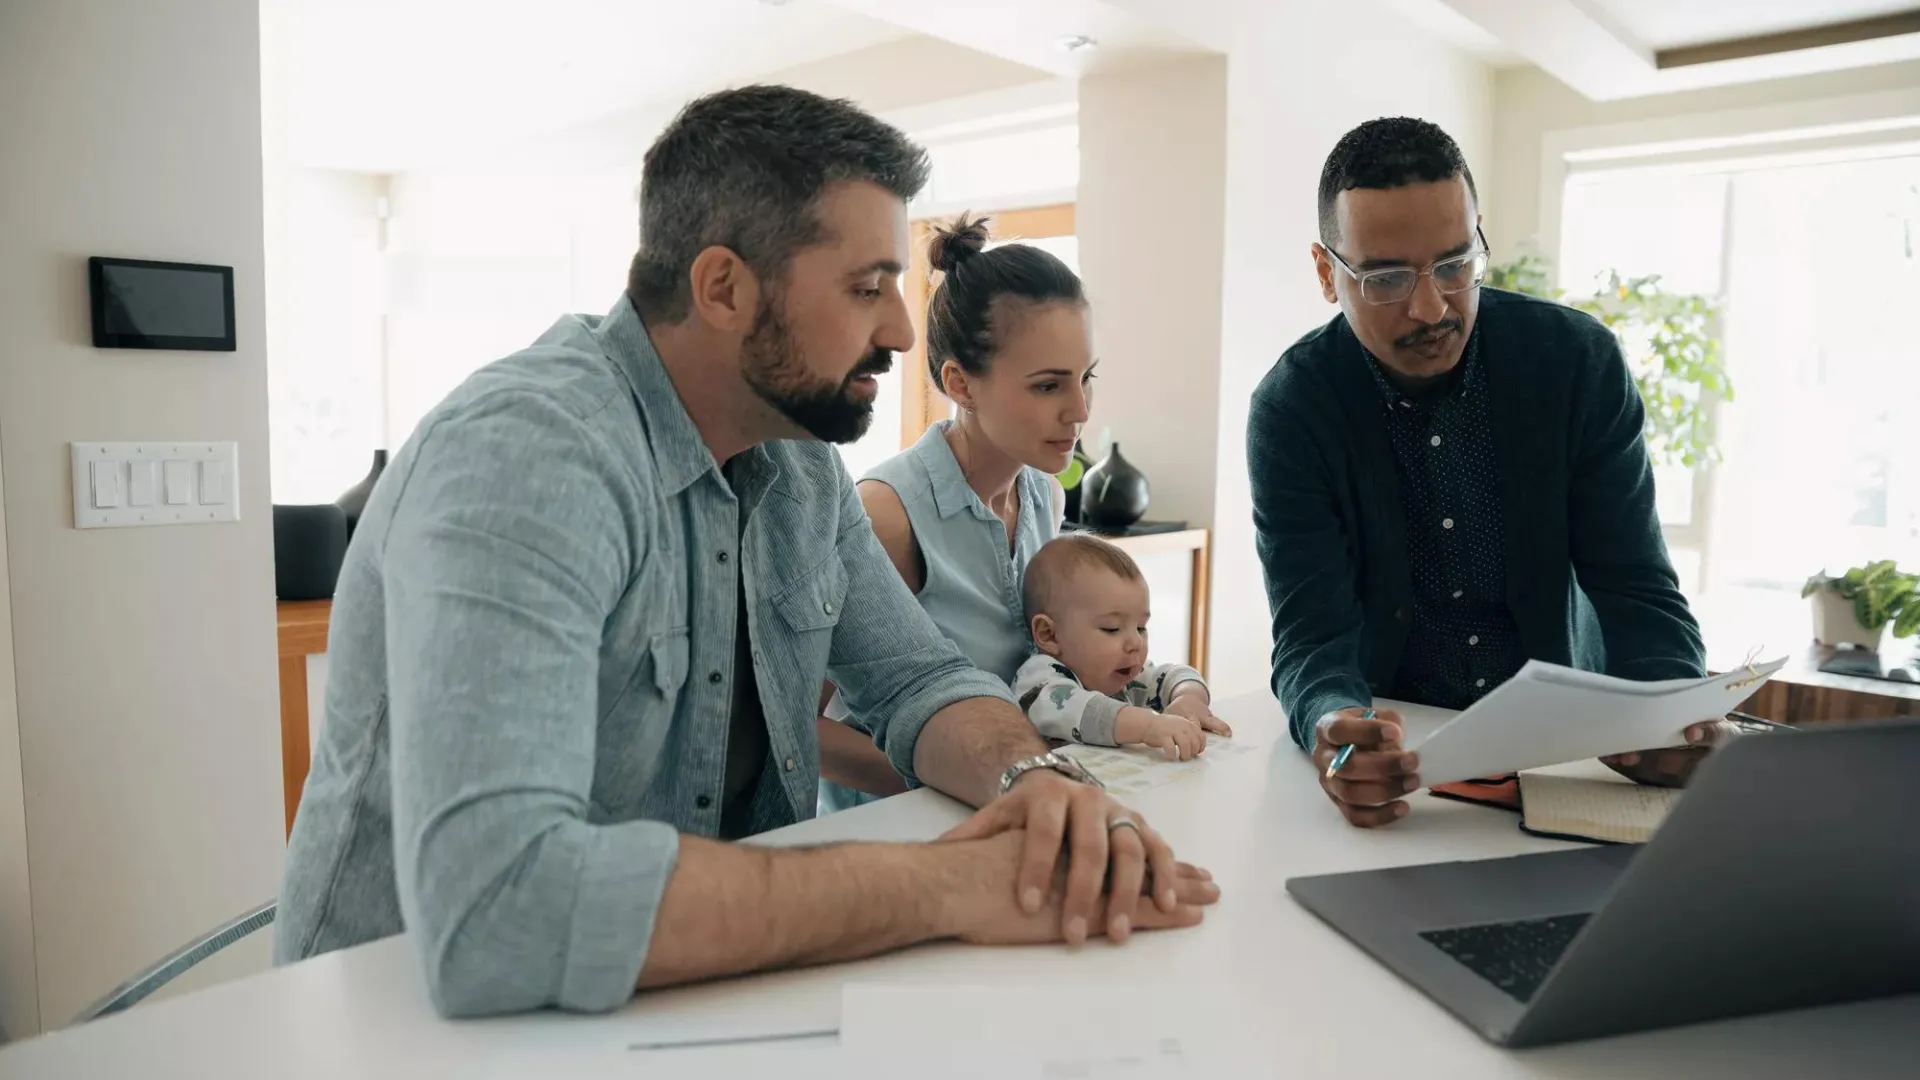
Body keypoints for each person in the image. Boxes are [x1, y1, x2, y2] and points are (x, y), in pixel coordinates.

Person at [273, 85, 1218, 1019]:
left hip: (696, 996)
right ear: (723, 287)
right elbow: (499, 907)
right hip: (415, 1031)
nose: (897, 330)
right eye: (866, 287)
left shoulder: (799, 468)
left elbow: (921, 681)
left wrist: (1036, 785)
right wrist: (947, 885)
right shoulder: (530, 456)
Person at [1246, 116, 1731, 829]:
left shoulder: (1576, 364)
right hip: (1402, 765)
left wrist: (1672, 714)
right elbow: (1313, 633)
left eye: (1454, 264)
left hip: (1571, 757)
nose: (1431, 306)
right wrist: (1332, 726)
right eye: (1385, 277)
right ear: (1327, 274)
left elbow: (1634, 584)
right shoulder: (1293, 409)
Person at [815, 214, 1087, 811]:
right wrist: (977, 779)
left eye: (1085, 379)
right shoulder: (886, 517)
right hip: (893, 833)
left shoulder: (1046, 494)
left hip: (1006, 804)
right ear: (961, 384)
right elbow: (796, 729)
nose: (1080, 410)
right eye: (1048, 386)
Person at [1011, 534, 1232, 761]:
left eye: (1141, 627)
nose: (1136, 642)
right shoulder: (1039, 681)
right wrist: (1149, 725)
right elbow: (1089, 712)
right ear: (1050, 635)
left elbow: (1175, 674)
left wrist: (1188, 698)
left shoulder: (1126, 674)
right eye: (1112, 628)